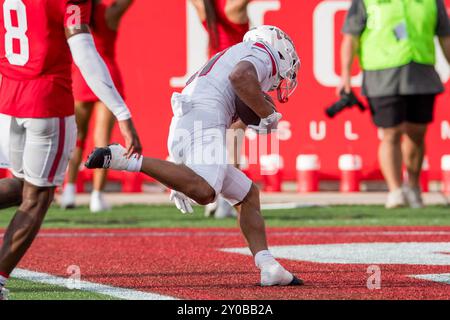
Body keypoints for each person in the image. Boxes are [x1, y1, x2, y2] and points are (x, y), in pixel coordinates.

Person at [85, 25, 302, 286]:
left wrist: (183, 173)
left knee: (247, 195)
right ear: (279, 52)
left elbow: (239, 99)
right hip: (201, 120)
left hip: (191, 120)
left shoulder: (238, 53)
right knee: (205, 192)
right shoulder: (261, 53)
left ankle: (268, 266)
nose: (283, 80)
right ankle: (123, 159)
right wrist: (267, 115)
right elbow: (240, 77)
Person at [0, 0, 141, 300]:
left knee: (26, 187)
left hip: (9, 97)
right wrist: (122, 113)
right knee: (38, 197)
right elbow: (83, 50)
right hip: (45, 99)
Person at [339, 0, 450, 209]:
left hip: (421, 72)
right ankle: (396, 190)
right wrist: (345, 75)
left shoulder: (432, 2)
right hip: (381, 74)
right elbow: (350, 38)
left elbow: (445, 37)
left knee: (417, 133)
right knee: (391, 132)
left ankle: (414, 187)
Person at [60, 0, 134, 213]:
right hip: (107, 77)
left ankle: (69, 191)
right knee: (102, 139)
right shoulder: (109, 13)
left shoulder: (71, 11)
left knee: (78, 137)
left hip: (82, 77)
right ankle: (97, 196)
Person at [190, 0, 251, 218]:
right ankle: (228, 201)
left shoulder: (207, 8)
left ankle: (212, 198)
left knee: (216, 140)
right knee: (234, 138)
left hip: (212, 78)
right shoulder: (231, 8)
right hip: (236, 77)